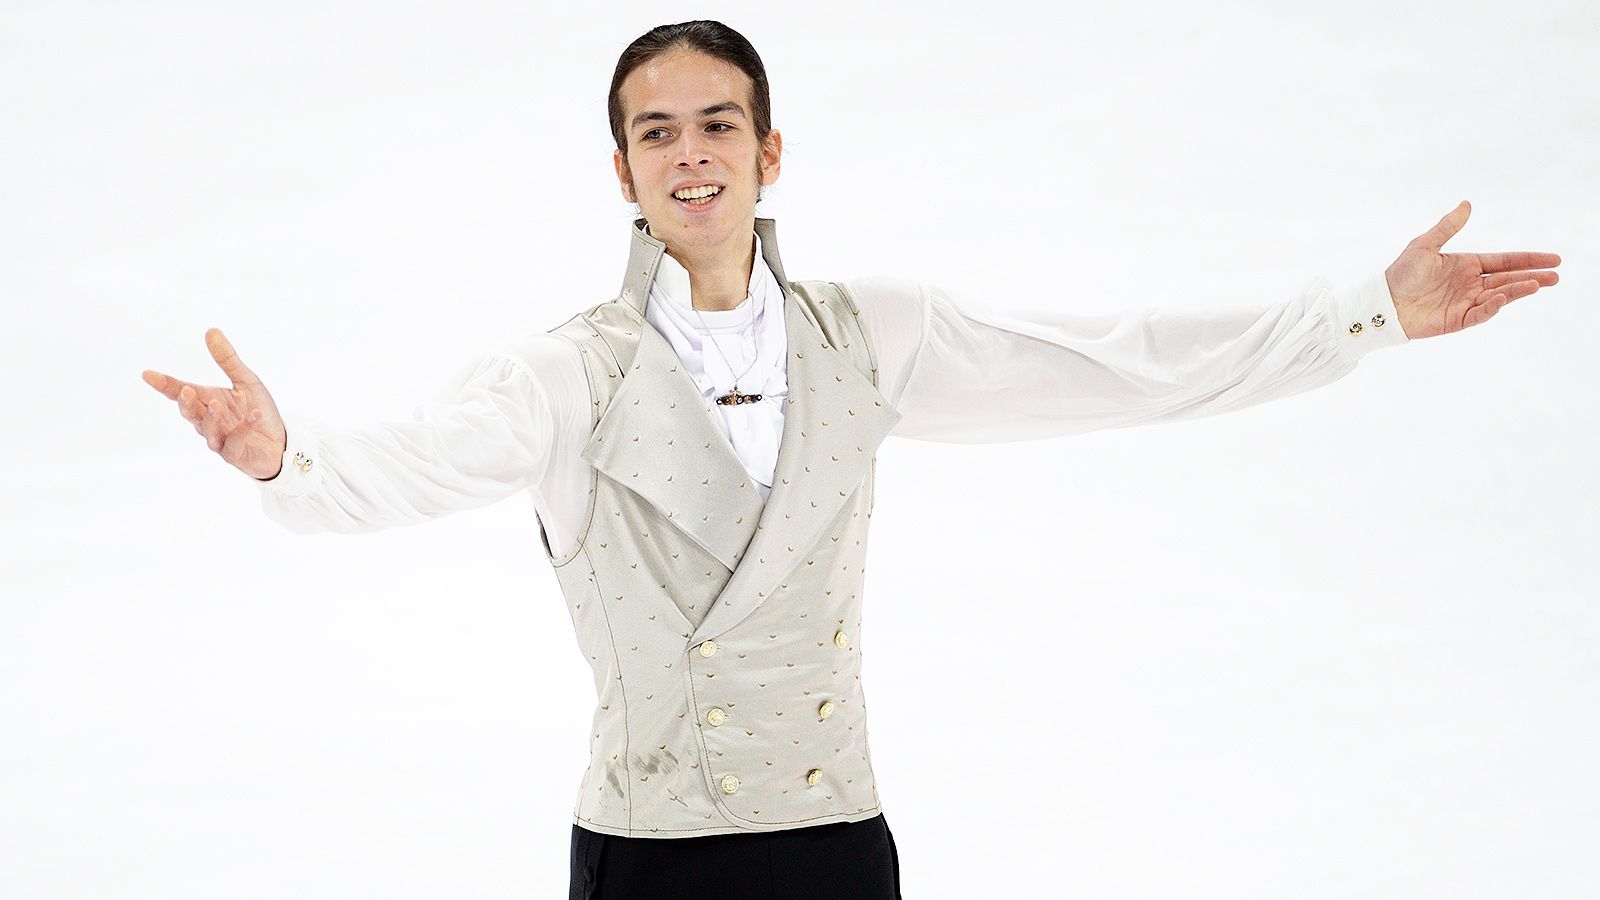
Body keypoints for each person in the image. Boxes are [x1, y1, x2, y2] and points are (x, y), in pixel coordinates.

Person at [141, 19, 1560, 900]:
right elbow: (414, 465)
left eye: (717, 124)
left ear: (770, 153)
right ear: (622, 172)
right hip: (649, 858)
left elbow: (1119, 364)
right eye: (656, 133)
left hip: (836, 844)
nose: (690, 154)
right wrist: (285, 456)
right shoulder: (565, 374)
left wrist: (1365, 313)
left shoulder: (871, 334)